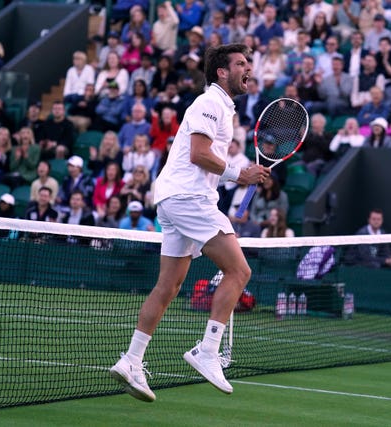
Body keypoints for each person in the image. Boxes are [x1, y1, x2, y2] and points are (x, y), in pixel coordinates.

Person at [109, 43, 269, 402]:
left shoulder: (222, 108)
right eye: (241, 63)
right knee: (239, 272)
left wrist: (240, 175)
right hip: (188, 198)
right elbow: (199, 155)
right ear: (221, 72)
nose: (249, 69)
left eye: (249, 63)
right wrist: (238, 174)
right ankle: (207, 350)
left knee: (168, 286)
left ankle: (131, 360)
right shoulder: (209, 103)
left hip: (173, 200)